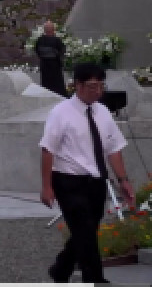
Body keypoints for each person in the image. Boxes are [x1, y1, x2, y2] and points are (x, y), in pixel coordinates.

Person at [40, 62, 135, 284]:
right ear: (77, 85)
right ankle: (95, 279)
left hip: (95, 181)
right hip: (68, 180)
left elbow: (113, 149)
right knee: (84, 232)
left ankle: (61, 268)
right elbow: (47, 150)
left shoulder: (102, 112)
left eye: (101, 86)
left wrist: (124, 180)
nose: (98, 91)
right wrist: (46, 186)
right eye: (92, 86)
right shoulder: (60, 113)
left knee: (88, 230)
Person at [35, 21, 67, 97]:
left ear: (44, 30)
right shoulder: (57, 40)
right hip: (55, 66)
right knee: (57, 85)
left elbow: (37, 51)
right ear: (53, 30)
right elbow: (62, 51)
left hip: (44, 65)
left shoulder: (40, 40)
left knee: (46, 84)